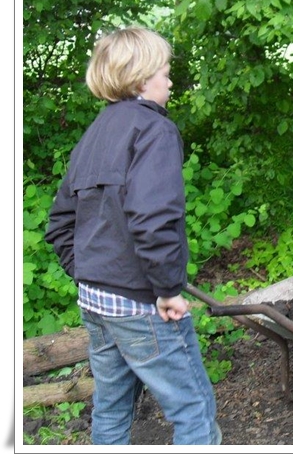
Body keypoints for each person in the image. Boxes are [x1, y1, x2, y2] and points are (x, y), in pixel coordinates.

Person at [44, 27, 222, 445]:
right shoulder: (154, 131)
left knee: (110, 410)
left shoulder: (95, 135)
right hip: (142, 306)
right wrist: (165, 289)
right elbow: (153, 219)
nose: (170, 80)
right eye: (164, 71)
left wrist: (92, 274)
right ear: (143, 79)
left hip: (95, 303)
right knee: (193, 409)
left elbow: (59, 224)